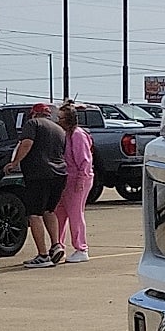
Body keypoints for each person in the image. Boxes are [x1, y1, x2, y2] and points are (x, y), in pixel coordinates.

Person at [4, 103, 67, 267]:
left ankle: (43, 255)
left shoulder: (33, 124)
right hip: (59, 174)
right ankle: (56, 245)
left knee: (34, 214)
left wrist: (15, 162)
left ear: (34, 114)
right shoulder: (59, 129)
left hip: (39, 174)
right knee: (49, 210)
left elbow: (27, 144)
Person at [53, 102, 94, 262]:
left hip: (77, 178)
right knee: (59, 213)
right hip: (65, 178)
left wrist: (80, 180)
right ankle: (58, 246)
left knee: (75, 213)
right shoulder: (64, 134)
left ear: (69, 119)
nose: (58, 121)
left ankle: (81, 248)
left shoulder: (78, 135)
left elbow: (85, 160)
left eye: (61, 118)